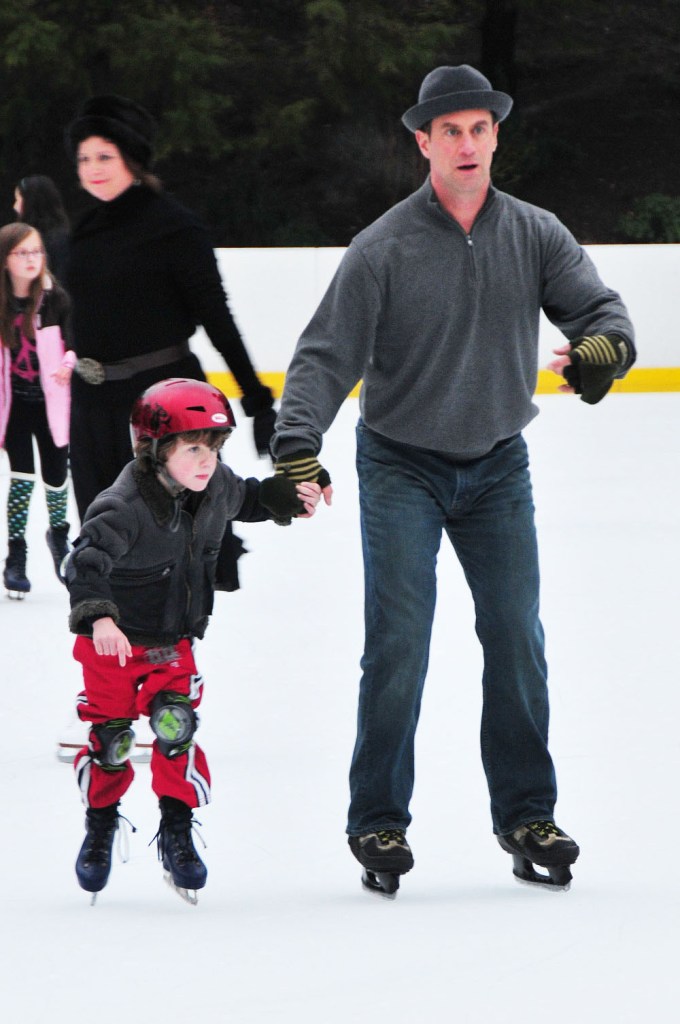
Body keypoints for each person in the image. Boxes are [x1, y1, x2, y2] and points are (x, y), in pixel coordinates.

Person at [265, 65, 636, 897]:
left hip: (499, 465)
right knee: (398, 644)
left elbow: (601, 313)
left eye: (479, 129)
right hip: (401, 464)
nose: (467, 145)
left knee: (516, 637)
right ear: (423, 143)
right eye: (450, 132)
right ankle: (378, 822)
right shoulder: (383, 247)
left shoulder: (536, 232)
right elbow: (325, 357)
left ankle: (526, 813)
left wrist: (604, 351)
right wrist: (298, 445)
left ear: (496, 136)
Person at [66, 377, 320, 902]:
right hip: (112, 646)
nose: (208, 461)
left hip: (172, 640)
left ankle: (177, 831)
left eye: (215, 448)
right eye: (194, 449)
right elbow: (85, 562)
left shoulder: (215, 484)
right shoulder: (122, 505)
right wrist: (101, 618)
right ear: (156, 450)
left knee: (174, 727)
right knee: (112, 741)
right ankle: (100, 823)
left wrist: (288, 496)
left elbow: (246, 497)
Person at [63, 95, 276, 558]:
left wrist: (257, 400)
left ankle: (167, 631)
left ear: (132, 160)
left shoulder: (174, 227)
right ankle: (103, 625)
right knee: (101, 538)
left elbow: (217, 318)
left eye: (105, 156)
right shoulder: (82, 231)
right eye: (84, 158)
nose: (93, 168)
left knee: (166, 546)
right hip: (92, 405)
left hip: (161, 403)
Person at [0, 222, 75, 597]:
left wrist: (69, 361)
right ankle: (16, 556)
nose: (31, 260)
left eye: (36, 251)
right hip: (13, 406)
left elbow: (74, 340)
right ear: (5, 260)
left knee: (57, 476)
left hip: (52, 403)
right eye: (21, 253)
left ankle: (60, 539)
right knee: (22, 477)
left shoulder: (54, 298)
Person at [13, 175, 71, 283]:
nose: (15, 206)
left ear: (30, 202)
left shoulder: (56, 240)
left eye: (18, 199)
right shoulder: (63, 237)